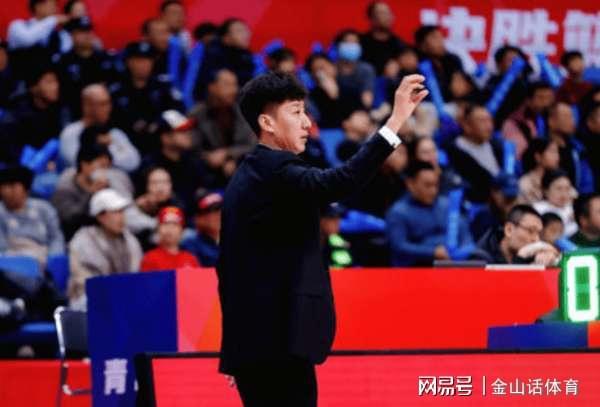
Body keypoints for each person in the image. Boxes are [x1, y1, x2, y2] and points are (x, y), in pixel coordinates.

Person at [218, 71, 427, 405]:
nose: (307, 123)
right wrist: (395, 121)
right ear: (267, 123)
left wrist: (239, 347)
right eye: (296, 112)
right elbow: (339, 181)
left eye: (305, 111)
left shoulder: (248, 175)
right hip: (277, 346)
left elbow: (228, 267)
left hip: (260, 346)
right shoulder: (276, 172)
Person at [386, 160, 473, 266]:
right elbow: (399, 246)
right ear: (410, 184)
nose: (433, 191)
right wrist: (432, 252)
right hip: (417, 268)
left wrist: (463, 250)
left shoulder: (447, 205)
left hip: (454, 262)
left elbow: (465, 235)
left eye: (436, 185)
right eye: (427, 185)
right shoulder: (398, 212)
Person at [68, 188, 142, 310]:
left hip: (124, 298)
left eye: (121, 211)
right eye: (115, 212)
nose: (121, 217)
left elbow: (135, 276)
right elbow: (85, 281)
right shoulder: (82, 241)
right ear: (100, 216)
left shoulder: (130, 240)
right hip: (89, 300)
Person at [109, 41, 184, 154]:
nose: (144, 65)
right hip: (126, 145)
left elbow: (179, 113)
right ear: (129, 62)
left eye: (147, 60)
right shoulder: (116, 91)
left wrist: (159, 123)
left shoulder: (164, 86)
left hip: (162, 143)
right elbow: (111, 120)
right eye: (139, 60)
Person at [52, 143, 135, 240]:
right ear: (85, 165)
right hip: (77, 238)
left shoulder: (106, 184)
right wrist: (91, 194)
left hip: (108, 235)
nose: (105, 172)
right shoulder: (64, 189)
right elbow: (71, 219)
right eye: (101, 166)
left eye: (107, 167)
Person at [188, 69, 255, 187]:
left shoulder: (242, 111)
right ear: (212, 87)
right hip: (206, 176)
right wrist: (208, 157)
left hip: (241, 170)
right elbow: (191, 148)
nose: (234, 90)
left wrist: (228, 154)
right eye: (227, 85)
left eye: (235, 85)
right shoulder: (197, 114)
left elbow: (251, 144)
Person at [59, 84, 140, 171]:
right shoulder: (71, 132)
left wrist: (110, 153)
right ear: (87, 106)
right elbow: (75, 161)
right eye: (102, 104)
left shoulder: (115, 133)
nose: (108, 108)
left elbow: (134, 162)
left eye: (108, 103)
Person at [137, 110, 205, 213]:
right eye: (182, 131)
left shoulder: (193, 159)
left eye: (188, 129)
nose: (188, 134)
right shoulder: (150, 165)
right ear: (165, 138)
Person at [1, 65, 69, 163]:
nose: (56, 86)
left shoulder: (61, 109)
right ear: (34, 88)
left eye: (56, 81)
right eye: (49, 82)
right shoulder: (15, 113)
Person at [0, 166, 64, 268]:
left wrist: (53, 259)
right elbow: (2, 249)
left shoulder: (44, 208)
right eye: (4, 187)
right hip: (13, 263)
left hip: (45, 257)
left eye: (12, 186)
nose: (7, 191)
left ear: (26, 190)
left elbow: (56, 238)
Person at [56, 16, 116, 117]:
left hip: (103, 111)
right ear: (72, 35)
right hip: (74, 111)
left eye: (89, 31)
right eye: (82, 32)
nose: (87, 35)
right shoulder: (63, 62)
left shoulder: (105, 58)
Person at [446, 104, 504, 202]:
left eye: (490, 120)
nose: (489, 126)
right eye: (482, 121)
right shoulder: (454, 151)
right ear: (467, 126)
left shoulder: (497, 145)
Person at [470, 204, 559, 265]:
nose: (536, 239)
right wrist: (520, 258)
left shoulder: (532, 255)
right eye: (531, 231)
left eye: (539, 233)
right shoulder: (480, 258)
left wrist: (550, 254)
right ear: (509, 230)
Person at [195, 18, 255, 98]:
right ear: (226, 37)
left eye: (246, 30)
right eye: (239, 31)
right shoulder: (212, 55)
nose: (246, 34)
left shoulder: (247, 55)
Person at [501, 81, 555, 159]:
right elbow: (518, 154)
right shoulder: (513, 123)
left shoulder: (548, 119)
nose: (545, 103)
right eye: (541, 98)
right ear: (528, 100)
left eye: (548, 98)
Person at [140, 206, 199, 271]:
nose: (170, 228)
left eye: (175, 224)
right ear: (158, 229)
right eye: (165, 223)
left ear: (182, 230)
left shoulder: (191, 259)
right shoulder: (149, 258)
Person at [414, 25, 463, 102]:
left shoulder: (453, 60)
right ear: (422, 45)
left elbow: (459, 89)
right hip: (425, 103)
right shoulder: (415, 62)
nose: (440, 41)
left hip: (452, 103)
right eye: (435, 38)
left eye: (441, 37)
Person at [333, 29, 376, 109]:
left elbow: (367, 101)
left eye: (355, 42)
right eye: (347, 42)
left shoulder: (366, 70)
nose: (351, 46)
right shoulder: (332, 68)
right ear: (339, 46)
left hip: (359, 111)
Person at [360, 1, 406, 75]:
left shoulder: (399, 44)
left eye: (389, 13)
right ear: (372, 18)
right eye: (382, 13)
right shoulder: (361, 43)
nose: (387, 16)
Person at [181, 191, 222, 267]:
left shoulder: (236, 239)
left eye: (221, 209)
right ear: (198, 218)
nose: (218, 215)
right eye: (212, 211)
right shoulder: (190, 244)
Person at [533, 169, 578, 238]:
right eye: (559, 189)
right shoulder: (537, 210)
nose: (564, 194)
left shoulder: (574, 209)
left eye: (567, 189)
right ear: (546, 191)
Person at [518, 139, 560, 204]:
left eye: (557, 152)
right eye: (552, 152)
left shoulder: (560, 179)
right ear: (538, 157)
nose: (557, 157)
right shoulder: (525, 183)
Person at [320, 203, 352, 268]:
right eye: (332, 217)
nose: (338, 222)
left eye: (339, 218)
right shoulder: (304, 247)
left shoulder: (336, 242)